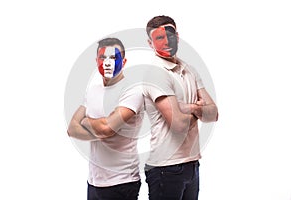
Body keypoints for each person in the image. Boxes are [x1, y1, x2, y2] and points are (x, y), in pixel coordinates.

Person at [142, 15, 218, 200]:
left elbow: (214, 113)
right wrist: (199, 109)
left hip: (191, 164)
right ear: (150, 43)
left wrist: (187, 108)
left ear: (177, 35)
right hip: (165, 169)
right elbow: (178, 124)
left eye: (170, 35)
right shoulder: (156, 74)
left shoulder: (189, 69)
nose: (167, 41)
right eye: (159, 37)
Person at [67, 37, 144, 200]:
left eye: (114, 57)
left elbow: (107, 128)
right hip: (94, 181)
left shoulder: (131, 91)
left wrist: (87, 122)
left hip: (122, 182)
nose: (107, 62)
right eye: (103, 57)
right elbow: (72, 128)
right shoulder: (93, 90)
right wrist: (102, 131)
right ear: (97, 61)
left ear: (124, 61)